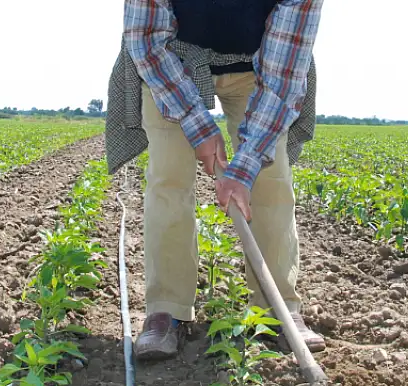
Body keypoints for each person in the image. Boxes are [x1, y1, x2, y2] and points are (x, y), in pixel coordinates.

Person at [104, 0, 325, 361]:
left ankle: (277, 308)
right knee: (169, 178)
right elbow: (146, 40)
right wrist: (196, 124)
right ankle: (167, 310)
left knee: (270, 180)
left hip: (261, 63)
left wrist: (247, 164)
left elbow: (284, 72)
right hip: (170, 56)